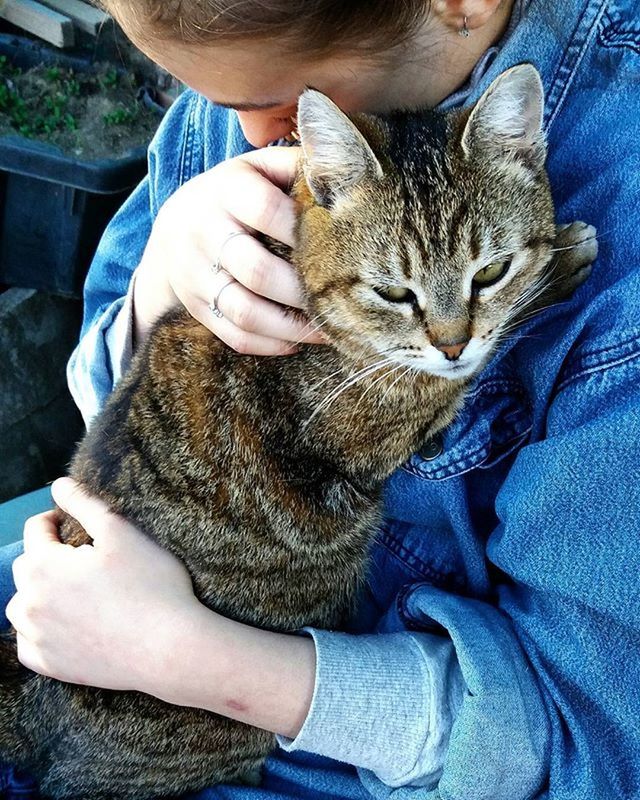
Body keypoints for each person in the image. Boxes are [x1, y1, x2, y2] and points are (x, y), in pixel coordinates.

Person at [2, 0, 639, 797]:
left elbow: (585, 751)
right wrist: (163, 275)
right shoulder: (238, 95)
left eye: (292, 119)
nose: (271, 146)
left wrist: (189, 659)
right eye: (223, 106)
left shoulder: (625, 270)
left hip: (382, 733)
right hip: (94, 598)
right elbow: (102, 396)